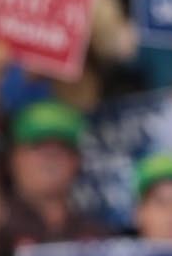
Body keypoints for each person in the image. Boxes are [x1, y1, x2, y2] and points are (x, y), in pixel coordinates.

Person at [6, 99, 109, 246]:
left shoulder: (96, 237)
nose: (51, 157)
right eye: (38, 146)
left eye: (62, 148)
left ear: (76, 161)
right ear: (14, 158)